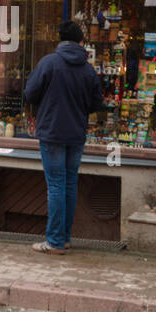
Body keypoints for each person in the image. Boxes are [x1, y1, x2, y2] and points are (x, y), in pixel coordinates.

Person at [24, 20, 104, 254]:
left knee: (56, 185)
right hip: (76, 133)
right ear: (81, 42)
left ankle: (56, 241)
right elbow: (96, 103)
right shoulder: (88, 70)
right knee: (69, 184)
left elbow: (30, 93)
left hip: (52, 132)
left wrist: (48, 103)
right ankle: (65, 237)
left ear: (61, 41)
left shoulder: (49, 63)